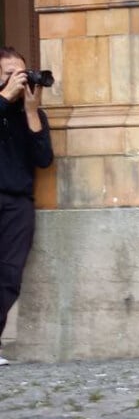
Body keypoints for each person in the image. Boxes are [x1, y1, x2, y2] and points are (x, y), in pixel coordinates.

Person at [0, 48, 54, 366]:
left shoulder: (29, 114)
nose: (18, 80)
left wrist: (32, 112)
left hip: (18, 204)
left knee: (8, 277)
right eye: (9, 73)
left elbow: (44, 159)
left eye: (21, 73)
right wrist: (6, 97)